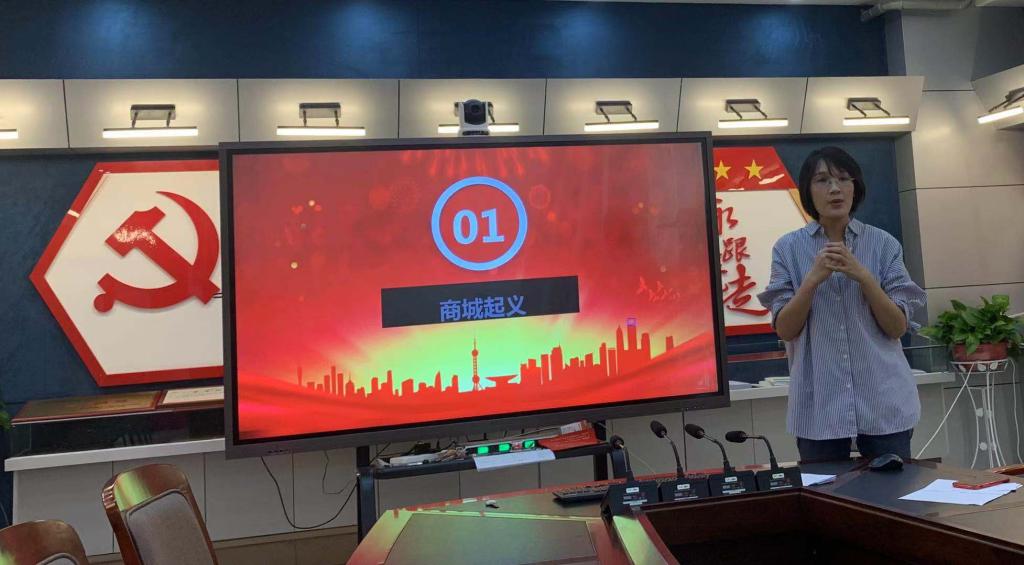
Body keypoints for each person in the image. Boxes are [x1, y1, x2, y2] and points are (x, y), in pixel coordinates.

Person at [757, 146, 926, 462]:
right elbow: (786, 329)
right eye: (822, 180)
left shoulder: (883, 244)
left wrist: (863, 276)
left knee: (891, 490)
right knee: (825, 493)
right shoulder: (788, 248)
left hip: (884, 404)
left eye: (843, 179)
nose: (834, 188)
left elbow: (896, 327)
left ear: (855, 187)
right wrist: (812, 280)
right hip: (819, 408)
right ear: (808, 191)